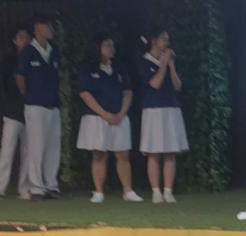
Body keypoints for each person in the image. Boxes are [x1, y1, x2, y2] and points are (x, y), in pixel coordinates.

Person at [76, 32, 143, 204]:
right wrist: (105, 114)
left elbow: (127, 92)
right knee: (99, 154)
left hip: (119, 116)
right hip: (96, 118)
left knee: (123, 154)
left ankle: (128, 190)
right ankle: (98, 191)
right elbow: (85, 94)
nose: (111, 48)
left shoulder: (119, 67)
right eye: (107, 45)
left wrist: (121, 113)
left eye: (112, 45)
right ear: (98, 47)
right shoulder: (88, 68)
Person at [138, 27, 189, 204]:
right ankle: (156, 191)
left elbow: (177, 86)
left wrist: (171, 65)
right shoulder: (144, 62)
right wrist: (163, 64)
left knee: (170, 152)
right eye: (163, 39)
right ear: (154, 41)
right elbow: (155, 83)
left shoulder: (169, 61)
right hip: (153, 110)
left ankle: (168, 190)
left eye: (167, 39)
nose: (166, 43)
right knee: (154, 153)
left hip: (171, 108)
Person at [0, 25, 32, 202]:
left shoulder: (34, 59)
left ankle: (24, 189)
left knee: (29, 153)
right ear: (15, 41)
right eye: (21, 37)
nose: (24, 40)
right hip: (12, 112)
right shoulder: (8, 62)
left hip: (32, 112)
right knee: (7, 151)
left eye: (27, 37)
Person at [16, 14, 62, 201]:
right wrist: (28, 96)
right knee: (36, 146)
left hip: (53, 105)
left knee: (53, 146)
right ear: (37, 28)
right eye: (47, 26)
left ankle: (51, 185)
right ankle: (36, 188)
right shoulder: (28, 51)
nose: (51, 30)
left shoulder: (54, 50)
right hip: (35, 105)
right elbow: (20, 76)